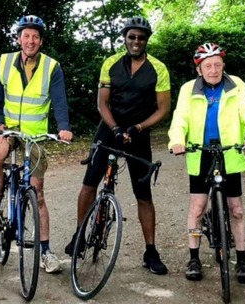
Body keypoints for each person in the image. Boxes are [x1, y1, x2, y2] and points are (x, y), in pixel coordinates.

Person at [64, 16, 171, 275]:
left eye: (141, 37)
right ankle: (79, 235)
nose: (136, 41)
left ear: (147, 40)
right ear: (125, 38)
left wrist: (139, 128)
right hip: (110, 127)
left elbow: (163, 108)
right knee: (89, 183)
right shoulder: (110, 63)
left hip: (139, 131)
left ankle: (151, 251)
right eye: (132, 36)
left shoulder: (158, 68)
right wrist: (114, 128)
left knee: (143, 194)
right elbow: (102, 103)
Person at [168, 43, 245, 283]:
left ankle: (242, 261)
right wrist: (178, 140)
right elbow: (180, 118)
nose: (213, 69)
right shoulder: (188, 89)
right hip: (199, 153)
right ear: (199, 69)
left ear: (223, 66)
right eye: (208, 66)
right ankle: (193, 257)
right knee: (198, 208)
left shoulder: (236, 85)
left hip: (230, 151)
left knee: (238, 210)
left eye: (217, 65)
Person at [0, 14, 73, 274]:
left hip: (34, 135)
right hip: (9, 130)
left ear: (41, 41)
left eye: (35, 36)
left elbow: (59, 100)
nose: (30, 40)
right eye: (26, 35)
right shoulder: (4, 62)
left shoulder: (51, 67)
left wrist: (64, 126)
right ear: (19, 38)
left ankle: (45, 252)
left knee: (38, 193)